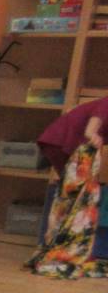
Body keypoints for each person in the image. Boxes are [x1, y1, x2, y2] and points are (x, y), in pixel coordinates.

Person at [26, 95, 108, 278]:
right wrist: (92, 134)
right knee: (78, 200)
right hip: (66, 143)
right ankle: (66, 250)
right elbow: (94, 122)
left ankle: (66, 246)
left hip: (69, 145)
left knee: (74, 198)